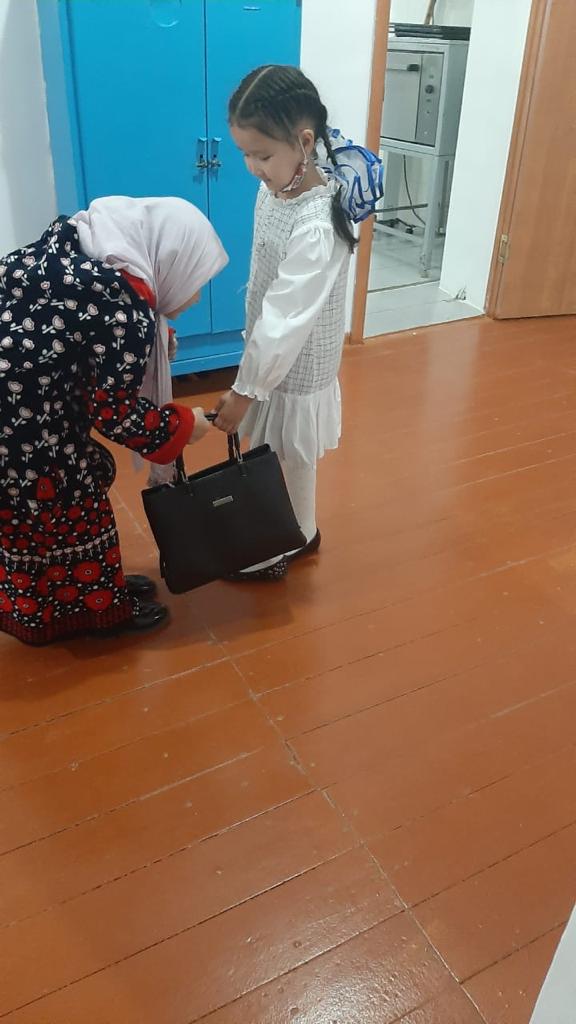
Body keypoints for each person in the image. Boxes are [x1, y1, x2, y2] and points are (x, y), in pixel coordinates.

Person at [0, 196, 227, 645]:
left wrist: (149, 340)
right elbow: (115, 413)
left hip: (17, 413)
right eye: (196, 280)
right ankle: (96, 613)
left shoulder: (76, 256)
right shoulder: (122, 307)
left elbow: (69, 334)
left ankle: (48, 605)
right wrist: (183, 426)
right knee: (76, 506)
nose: (197, 296)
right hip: (26, 431)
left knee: (31, 518)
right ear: (166, 261)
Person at [214, 65, 382, 580]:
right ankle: (302, 530)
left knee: (283, 447)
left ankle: (275, 545)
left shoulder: (317, 224)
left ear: (304, 142)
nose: (252, 167)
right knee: (285, 447)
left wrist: (246, 389)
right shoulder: (278, 187)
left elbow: (287, 318)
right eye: (244, 153)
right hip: (273, 346)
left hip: (297, 352)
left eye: (262, 155)